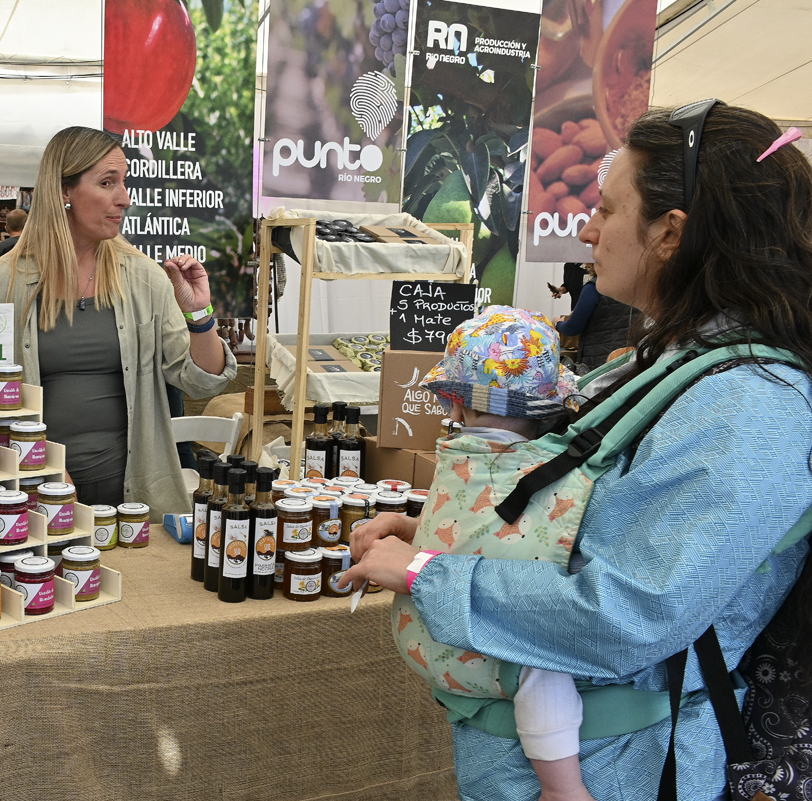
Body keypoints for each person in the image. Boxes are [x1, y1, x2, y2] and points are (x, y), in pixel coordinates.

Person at [342, 103, 812, 800]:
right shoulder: (678, 363)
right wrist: (443, 533)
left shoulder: (750, 405)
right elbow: (599, 528)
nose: (587, 230)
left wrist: (430, 573)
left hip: (617, 770)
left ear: (670, 234)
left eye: (607, 209)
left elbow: (629, 612)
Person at [0, 125, 236, 515]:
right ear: (64, 191)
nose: (124, 198)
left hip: (135, 496)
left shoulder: (143, 277)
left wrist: (199, 313)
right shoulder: (5, 282)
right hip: (32, 496)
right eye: (107, 182)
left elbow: (200, 381)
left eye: (124, 182)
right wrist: (42, 467)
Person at [395, 305, 595, 801]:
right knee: (545, 666)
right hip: (500, 638)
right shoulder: (561, 465)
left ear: (457, 406)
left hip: (453, 641)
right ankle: (562, 786)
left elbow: (467, 529)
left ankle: (561, 787)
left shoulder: (460, 457)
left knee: (539, 664)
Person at [554, 267, 635, 371]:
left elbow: (572, 328)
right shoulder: (635, 285)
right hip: (629, 357)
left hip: (598, 360)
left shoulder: (594, 287)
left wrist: (558, 323)